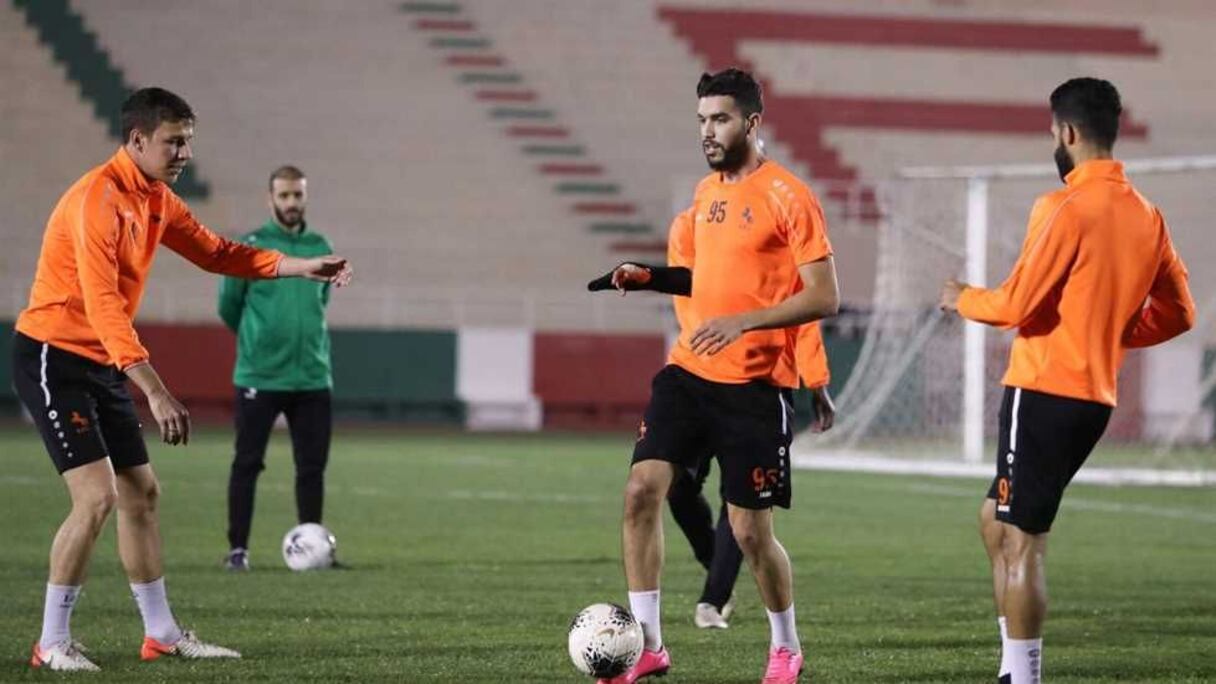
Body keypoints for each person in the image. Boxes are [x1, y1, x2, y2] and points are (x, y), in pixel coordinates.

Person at [12, 87, 352, 672]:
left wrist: (299, 267)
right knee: (96, 498)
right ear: (137, 140)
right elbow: (101, 305)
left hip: (103, 361)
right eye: (174, 141)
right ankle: (51, 641)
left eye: (188, 141)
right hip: (55, 356)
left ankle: (161, 633)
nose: (184, 152)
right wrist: (155, 388)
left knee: (142, 495)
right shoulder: (99, 199)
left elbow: (218, 253)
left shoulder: (156, 199)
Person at [588, 67, 839, 684]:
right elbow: (706, 282)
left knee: (750, 533)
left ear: (751, 123)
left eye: (720, 118)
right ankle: (647, 645)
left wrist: (744, 323)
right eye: (702, 119)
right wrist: (649, 274)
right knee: (641, 490)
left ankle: (785, 646)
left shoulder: (789, 195)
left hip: (755, 387)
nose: (707, 130)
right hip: (690, 373)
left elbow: (825, 296)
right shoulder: (706, 196)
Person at [939, 77, 1194, 684]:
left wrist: (963, 297)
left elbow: (1017, 305)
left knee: (1023, 540)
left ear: (1068, 133)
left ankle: (1023, 676)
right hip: (1092, 398)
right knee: (995, 521)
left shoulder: (1062, 207)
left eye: (1053, 133)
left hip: (1044, 388)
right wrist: (1108, 332)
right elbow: (1181, 313)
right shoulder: (1146, 215)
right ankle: (1011, 666)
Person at [667, 323, 835, 631]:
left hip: (757, 387)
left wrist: (817, 382)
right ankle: (714, 565)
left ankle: (713, 600)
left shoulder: (784, 274)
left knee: (740, 507)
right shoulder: (700, 272)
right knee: (676, 487)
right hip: (696, 382)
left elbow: (805, 318)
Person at [219, 165, 337, 572]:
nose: (291, 203)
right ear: (270, 199)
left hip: (312, 376)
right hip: (259, 376)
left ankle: (314, 548)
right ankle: (238, 550)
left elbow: (321, 301)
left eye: (297, 196)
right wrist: (259, 342)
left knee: (312, 467)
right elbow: (228, 306)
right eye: (284, 196)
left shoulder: (320, 244)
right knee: (247, 463)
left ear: (305, 197)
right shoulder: (250, 246)